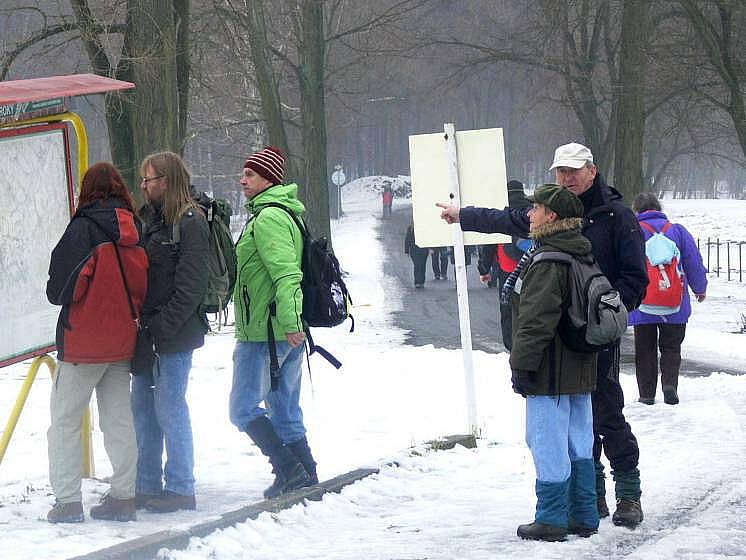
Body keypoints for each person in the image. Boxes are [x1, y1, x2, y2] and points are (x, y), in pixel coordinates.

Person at [438, 142, 649, 528]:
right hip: (558, 344)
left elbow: (636, 279)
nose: (566, 178)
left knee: (606, 413)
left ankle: (628, 493)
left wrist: (606, 313)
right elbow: (505, 218)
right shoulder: (551, 213)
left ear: (592, 171)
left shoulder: (617, 217)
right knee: (575, 423)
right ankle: (589, 498)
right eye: (560, 172)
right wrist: (461, 215)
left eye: (573, 171)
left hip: (596, 336)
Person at [46, 162, 148, 523]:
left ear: (87, 190)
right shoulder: (135, 228)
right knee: (119, 420)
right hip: (121, 342)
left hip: (82, 344)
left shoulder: (83, 230)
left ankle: (68, 502)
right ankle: (124, 496)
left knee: (65, 422)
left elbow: (59, 289)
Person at [508, 184, 599, 541]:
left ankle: (551, 518)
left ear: (553, 216)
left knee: (545, 439)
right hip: (581, 365)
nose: (530, 214)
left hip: (550, 368)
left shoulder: (547, 260)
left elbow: (535, 319)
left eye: (536, 209)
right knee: (580, 438)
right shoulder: (581, 252)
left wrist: (522, 364)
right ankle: (584, 513)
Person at [229, 146, 317, 499]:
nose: (243, 180)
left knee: (242, 409)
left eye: (250, 174)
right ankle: (306, 471)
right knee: (283, 407)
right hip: (282, 329)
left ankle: (288, 468)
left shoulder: (269, 219)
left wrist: (291, 319)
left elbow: (286, 273)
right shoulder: (281, 214)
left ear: (268, 178)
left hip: (264, 332)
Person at [131, 151, 209, 513]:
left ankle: (180, 487)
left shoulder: (190, 221)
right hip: (146, 333)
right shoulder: (150, 220)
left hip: (174, 335)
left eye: (149, 180)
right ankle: (146, 484)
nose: (143, 186)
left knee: (169, 408)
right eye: (143, 180)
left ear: (166, 181)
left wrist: (162, 327)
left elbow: (191, 286)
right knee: (142, 408)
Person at [629, 192, 707, 406]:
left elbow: (627, 264)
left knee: (645, 350)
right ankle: (669, 385)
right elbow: (693, 262)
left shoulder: (634, 231)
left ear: (637, 211)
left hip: (643, 304)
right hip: (675, 303)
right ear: (659, 209)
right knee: (671, 347)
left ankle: (646, 394)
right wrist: (700, 289)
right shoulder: (678, 232)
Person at [477, 180, 531, 351]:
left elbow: (489, 244)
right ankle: (531, 346)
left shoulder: (501, 211)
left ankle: (512, 347)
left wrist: (484, 269)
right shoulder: (533, 209)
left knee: (508, 311)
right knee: (531, 308)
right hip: (531, 267)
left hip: (508, 269)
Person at [404, 222, 429, 288]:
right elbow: (407, 239)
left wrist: (431, 248)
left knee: (423, 266)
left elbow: (428, 238)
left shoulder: (424, 227)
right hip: (414, 250)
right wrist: (407, 251)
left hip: (423, 249)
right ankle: (417, 282)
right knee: (417, 265)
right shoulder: (411, 228)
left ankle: (422, 281)